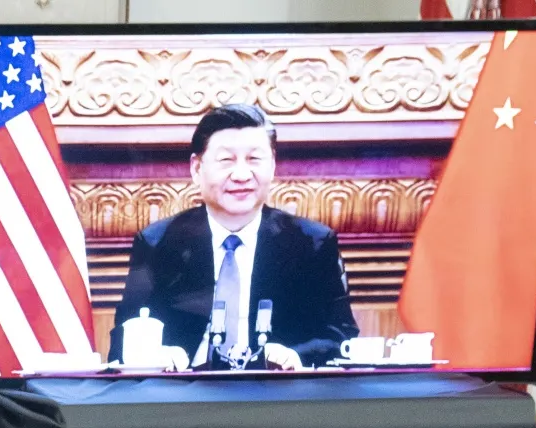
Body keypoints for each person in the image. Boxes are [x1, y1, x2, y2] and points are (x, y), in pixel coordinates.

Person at [111, 103, 359, 370]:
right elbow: (122, 339)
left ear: (273, 165)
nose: (242, 175)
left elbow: (342, 336)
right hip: (185, 396)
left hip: (278, 397)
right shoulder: (158, 243)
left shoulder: (311, 243)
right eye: (226, 160)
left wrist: (296, 356)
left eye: (254, 159)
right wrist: (157, 355)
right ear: (196, 168)